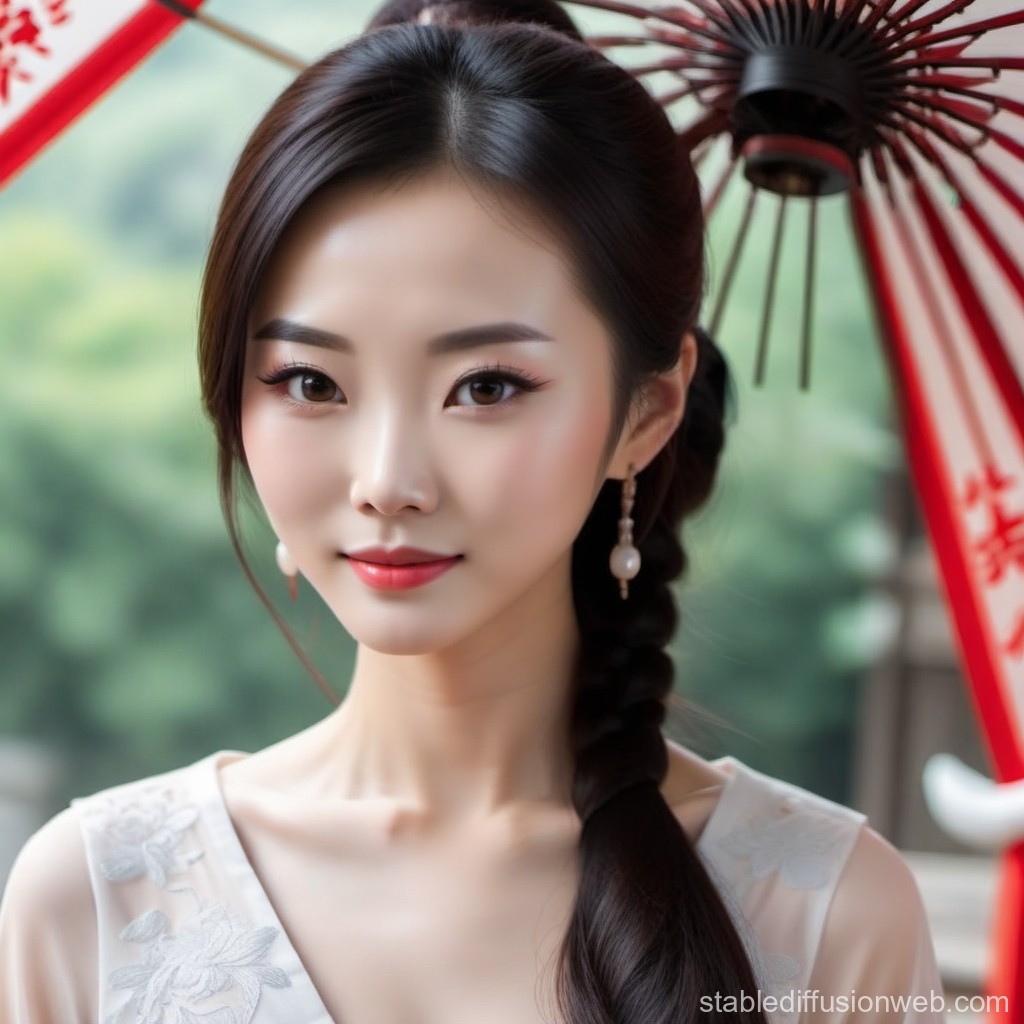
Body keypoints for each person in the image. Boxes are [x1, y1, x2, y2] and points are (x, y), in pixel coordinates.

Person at [0, 2, 945, 1022]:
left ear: (646, 412)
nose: (387, 480)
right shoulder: (96, 900)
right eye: (312, 383)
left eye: (486, 387)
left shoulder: (830, 916)